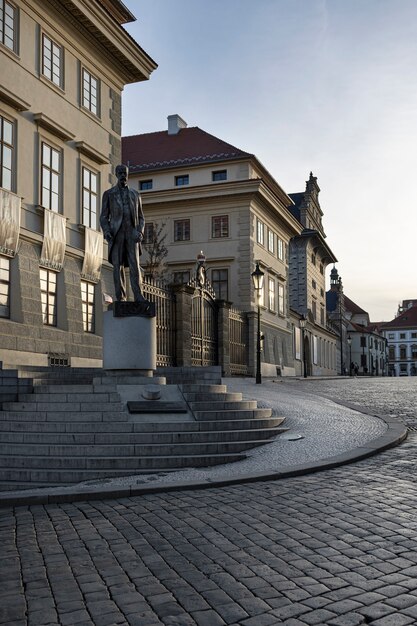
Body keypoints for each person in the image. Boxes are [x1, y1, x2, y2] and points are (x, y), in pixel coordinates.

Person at [100, 164, 146, 302]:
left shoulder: (135, 194)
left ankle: (138, 296)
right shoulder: (109, 194)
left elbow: (141, 217)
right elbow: (103, 216)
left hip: (132, 233)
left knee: (134, 266)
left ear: (128, 174)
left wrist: (140, 232)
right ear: (116, 174)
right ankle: (121, 297)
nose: (123, 175)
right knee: (117, 266)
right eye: (120, 173)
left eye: (125, 173)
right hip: (116, 233)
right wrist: (107, 231)